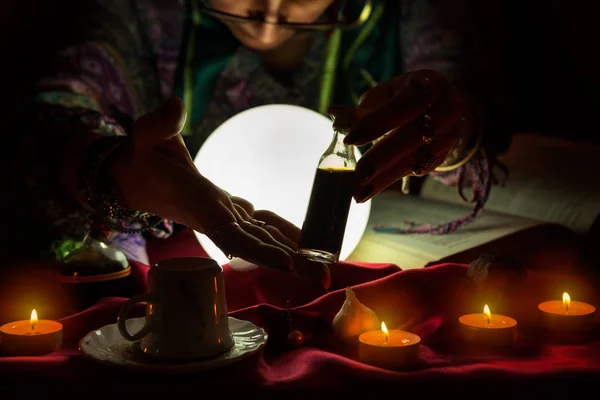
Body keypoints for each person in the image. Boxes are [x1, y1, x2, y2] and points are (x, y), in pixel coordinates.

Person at [2, 0, 506, 277]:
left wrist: (447, 129)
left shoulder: (406, 15)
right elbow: (54, 107)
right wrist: (112, 170)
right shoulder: (142, 13)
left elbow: (468, 105)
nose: (268, 17)